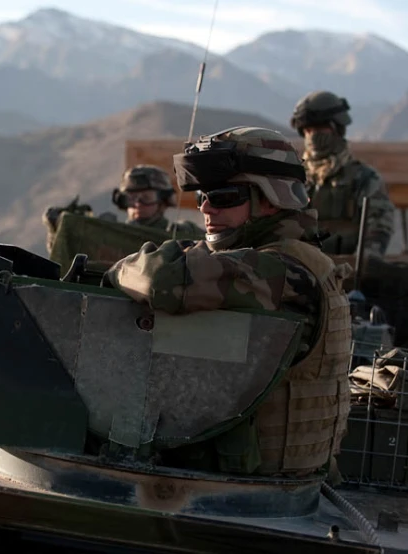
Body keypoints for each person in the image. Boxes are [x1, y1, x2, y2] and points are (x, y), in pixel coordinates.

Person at [104, 126, 352, 478]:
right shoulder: (292, 259)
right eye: (203, 194)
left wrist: (117, 270)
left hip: (259, 494)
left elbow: (161, 279)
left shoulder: (278, 272)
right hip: (270, 485)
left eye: (223, 196)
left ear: (269, 199)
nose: (205, 207)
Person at [290, 91, 396, 257]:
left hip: (346, 273)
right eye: (308, 130)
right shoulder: (293, 178)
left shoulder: (364, 179)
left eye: (320, 128)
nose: (312, 136)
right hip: (300, 272)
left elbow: (378, 229)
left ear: (337, 129)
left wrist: (360, 267)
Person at [42, 165, 204, 254]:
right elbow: (68, 255)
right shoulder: (108, 234)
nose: (137, 204)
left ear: (162, 201)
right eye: (131, 198)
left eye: (146, 198)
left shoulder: (179, 233)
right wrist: (56, 230)